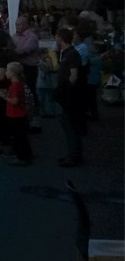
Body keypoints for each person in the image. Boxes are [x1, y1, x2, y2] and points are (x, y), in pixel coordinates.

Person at [54, 27, 85, 167]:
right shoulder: (66, 53)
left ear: (61, 38)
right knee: (68, 126)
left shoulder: (71, 54)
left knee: (70, 126)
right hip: (67, 94)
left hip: (70, 96)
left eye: (57, 37)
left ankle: (74, 156)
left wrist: (64, 89)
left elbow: (74, 76)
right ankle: (71, 154)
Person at [12, 15, 42, 132]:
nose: (17, 27)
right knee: (21, 93)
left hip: (29, 67)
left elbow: (23, 51)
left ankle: (35, 121)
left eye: (19, 24)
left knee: (31, 92)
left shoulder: (31, 37)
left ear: (26, 25)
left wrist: (11, 51)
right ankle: (25, 119)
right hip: (19, 67)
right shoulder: (15, 36)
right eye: (16, 25)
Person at [3, 61, 32, 166]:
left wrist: (5, 97)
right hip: (20, 113)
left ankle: (21, 156)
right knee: (22, 136)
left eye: (7, 70)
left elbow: (15, 101)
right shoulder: (19, 84)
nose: (6, 72)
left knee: (18, 136)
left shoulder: (15, 85)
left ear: (12, 73)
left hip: (15, 114)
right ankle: (26, 154)